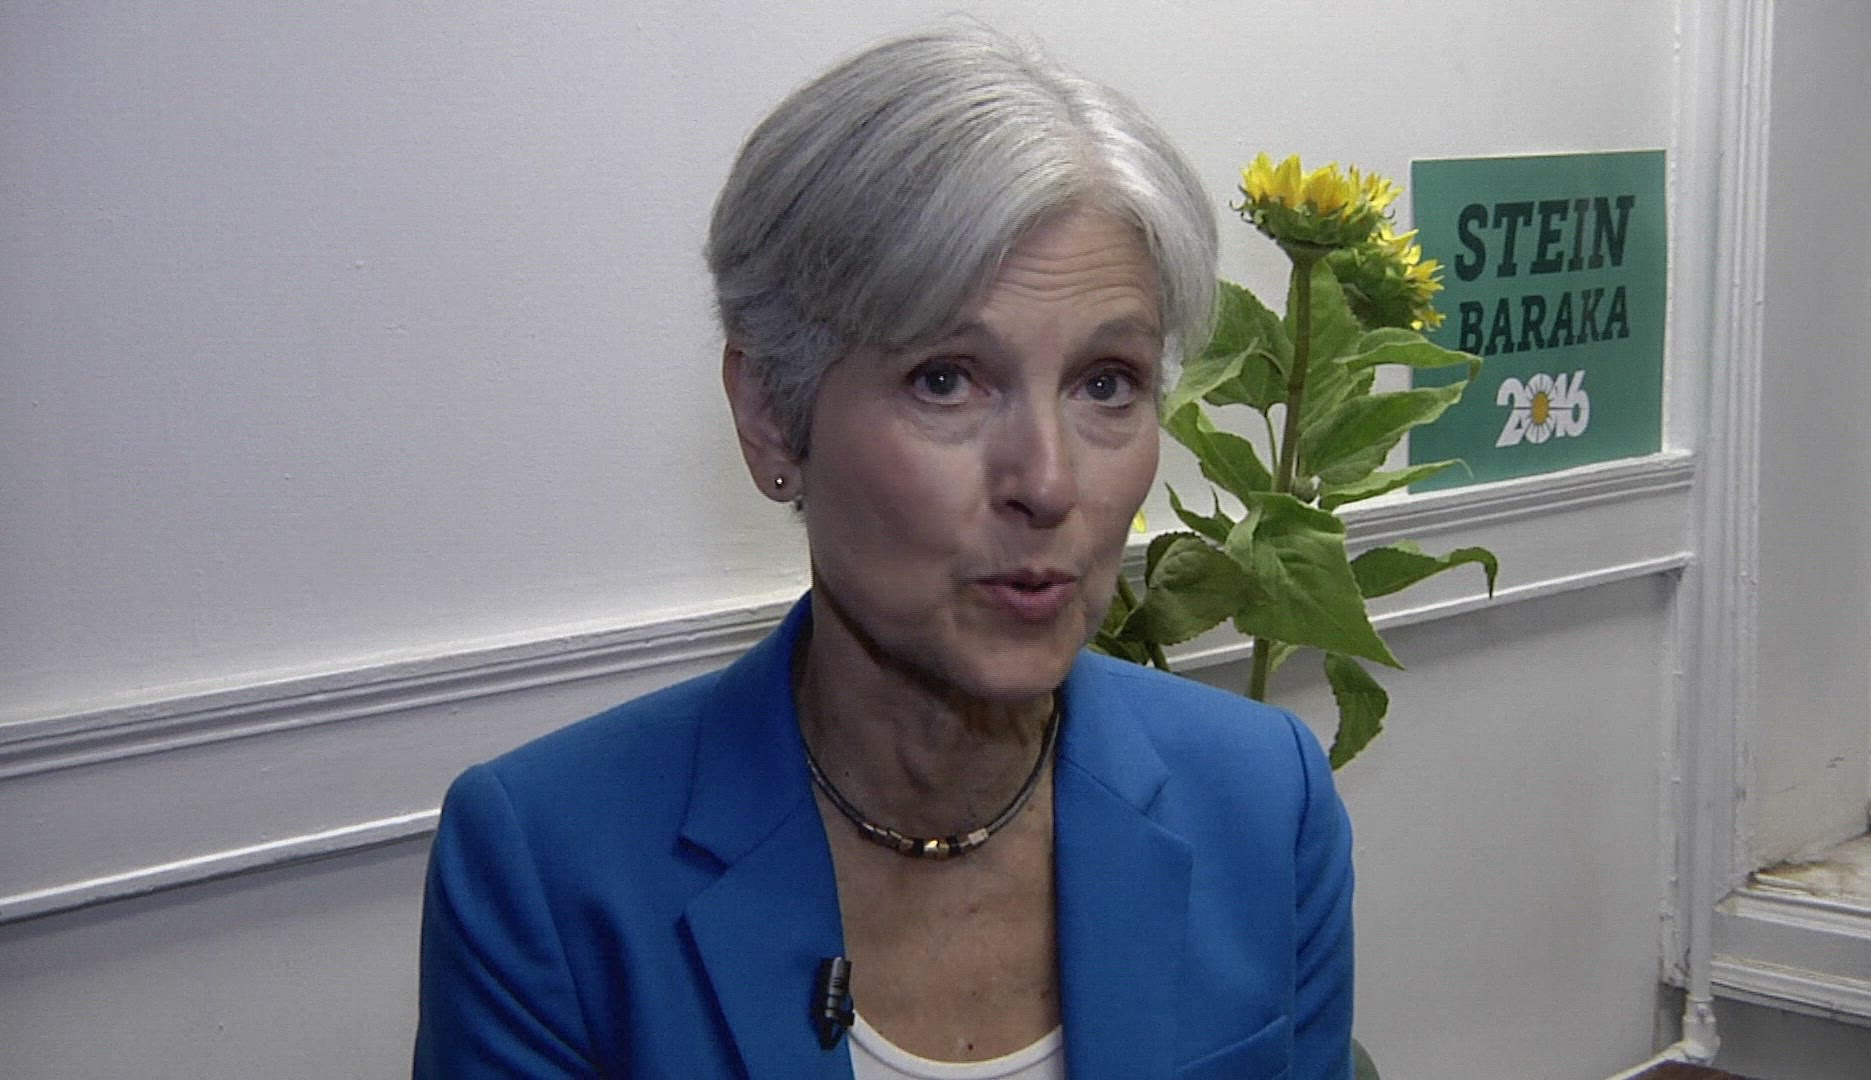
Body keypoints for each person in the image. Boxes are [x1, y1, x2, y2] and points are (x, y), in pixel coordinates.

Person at [414, 24, 1354, 1080]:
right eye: (946, 380)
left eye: (1106, 383)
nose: (1048, 482)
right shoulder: (548, 864)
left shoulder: (1264, 803)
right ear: (772, 417)